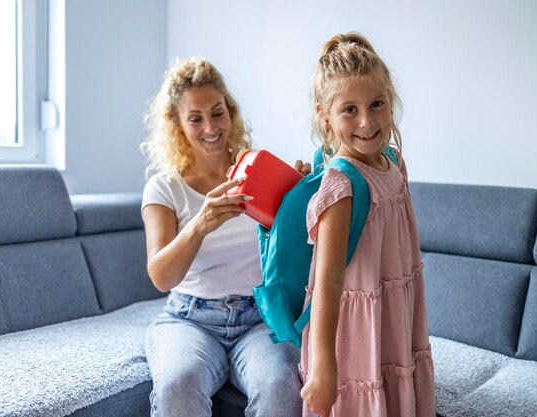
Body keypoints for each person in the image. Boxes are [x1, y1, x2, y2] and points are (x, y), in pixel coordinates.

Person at [140, 57, 306, 417]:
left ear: (230, 111)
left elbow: (297, 246)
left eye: (217, 113)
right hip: (190, 319)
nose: (210, 127)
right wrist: (200, 223)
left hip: (260, 317)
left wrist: (299, 195)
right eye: (195, 118)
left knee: (282, 388)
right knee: (177, 388)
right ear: (177, 124)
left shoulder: (258, 171)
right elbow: (160, 276)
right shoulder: (164, 188)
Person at [299, 32, 437, 417]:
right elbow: (327, 283)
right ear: (324, 116)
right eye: (349, 110)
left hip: (393, 314)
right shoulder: (342, 183)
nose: (366, 121)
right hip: (355, 332)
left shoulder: (393, 162)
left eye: (376, 104)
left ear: (390, 103)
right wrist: (324, 366)